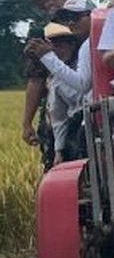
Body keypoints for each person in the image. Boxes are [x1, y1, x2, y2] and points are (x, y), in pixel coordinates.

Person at [20, 0, 87, 167]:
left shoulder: (86, 32)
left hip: (84, 112)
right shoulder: (43, 35)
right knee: (56, 164)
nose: (50, 3)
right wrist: (27, 122)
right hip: (55, 113)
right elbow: (36, 79)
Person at [26, 23, 84, 165]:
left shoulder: (83, 65)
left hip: (87, 126)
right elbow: (58, 115)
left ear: (72, 45)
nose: (56, 50)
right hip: (70, 132)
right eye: (52, 45)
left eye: (60, 45)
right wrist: (59, 151)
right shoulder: (53, 76)